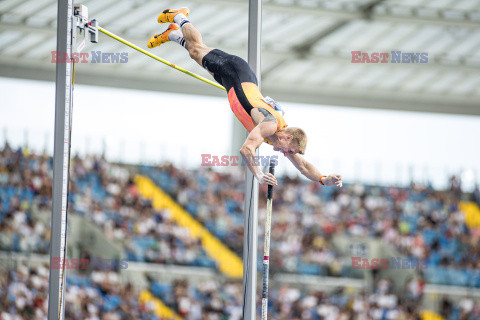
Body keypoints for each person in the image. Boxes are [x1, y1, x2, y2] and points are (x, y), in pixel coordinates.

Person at [147, 8, 342, 188]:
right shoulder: (271, 126)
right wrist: (258, 175)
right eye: (289, 150)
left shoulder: (276, 137)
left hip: (233, 84)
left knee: (199, 53)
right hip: (236, 73)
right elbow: (246, 149)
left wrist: (323, 179)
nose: (286, 154)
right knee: (196, 50)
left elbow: (304, 167)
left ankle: (172, 34)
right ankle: (179, 16)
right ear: (288, 137)